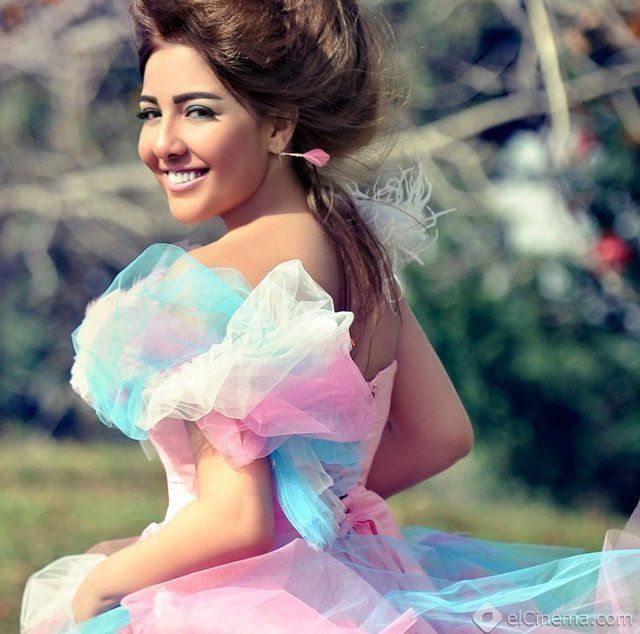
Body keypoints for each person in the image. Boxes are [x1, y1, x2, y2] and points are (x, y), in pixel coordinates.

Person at [19, 1, 640, 632]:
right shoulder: (358, 253)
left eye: (199, 111)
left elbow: (235, 521)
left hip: (236, 607)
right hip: (354, 586)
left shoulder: (196, 286)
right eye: (151, 113)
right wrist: (313, 514)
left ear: (277, 126)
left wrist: (104, 582)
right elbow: (440, 435)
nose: (163, 143)